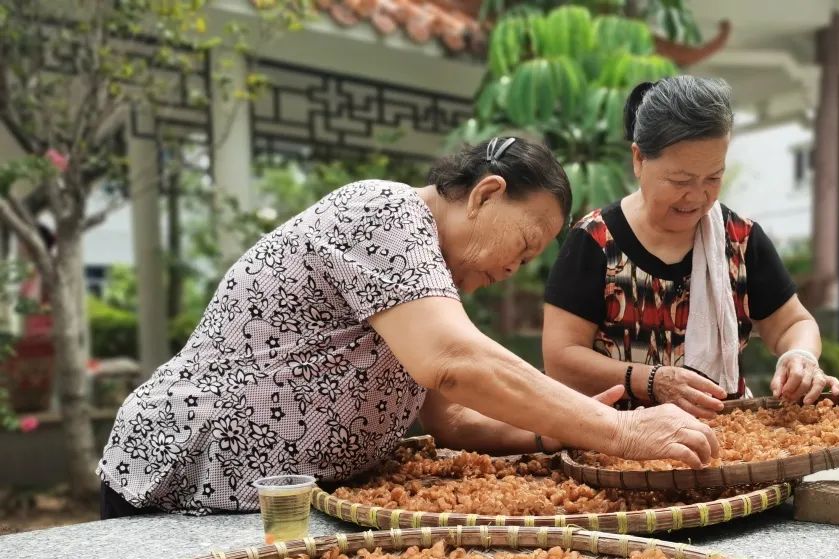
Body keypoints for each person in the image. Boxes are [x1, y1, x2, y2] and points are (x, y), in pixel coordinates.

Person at [98, 137, 719, 517]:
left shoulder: (431, 284)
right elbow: (451, 360)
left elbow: (450, 420)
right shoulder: (384, 210)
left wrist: (551, 434)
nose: (516, 269)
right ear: (485, 194)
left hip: (275, 496)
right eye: (525, 245)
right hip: (185, 476)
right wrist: (617, 430)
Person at [542, 76, 839, 419]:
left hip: (728, 440)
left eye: (713, 178)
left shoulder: (741, 241)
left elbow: (792, 324)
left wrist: (799, 356)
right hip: (618, 445)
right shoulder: (595, 242)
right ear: (638, 160)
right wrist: (650, 381)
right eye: (681, 181)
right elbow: (561, 357)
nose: (698, 196)